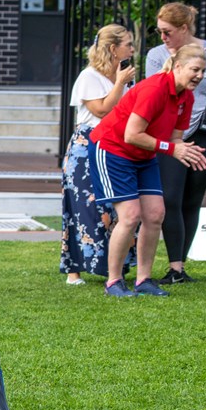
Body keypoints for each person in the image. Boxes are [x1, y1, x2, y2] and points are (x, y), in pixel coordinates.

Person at [89, 44, 206, 297]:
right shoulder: (154, 89)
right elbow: (132, 135)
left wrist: (188, 151)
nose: (198, 76)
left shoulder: (186, 97)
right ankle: (114, 282)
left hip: (144, 155)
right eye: (194, 69)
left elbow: (175, 139)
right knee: (130, 216)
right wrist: (171, 149)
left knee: (155, 214)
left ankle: (144, 280)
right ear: (177, 66)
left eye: (203, 71)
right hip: (113, 149)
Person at [145, 3, 206, 284]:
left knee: (192, 200)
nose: (162, 37)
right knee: (171, 197)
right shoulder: (156, 55)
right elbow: (155, 92)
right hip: (170, 135)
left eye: (167, 32)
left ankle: (178, 268)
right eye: (159, 31)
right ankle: (175, 262)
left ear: (184, 29)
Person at [60, 25, 136, 285]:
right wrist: (119, 83)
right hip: (87, 146)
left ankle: (114, 266)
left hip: (115, 145)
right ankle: (74, 271)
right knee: (83, 208)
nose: (132, 49)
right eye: (128, 44)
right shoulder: (89, 76)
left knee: (113, 206)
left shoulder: (124, 76)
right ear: (113, 48)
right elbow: (102, 110)